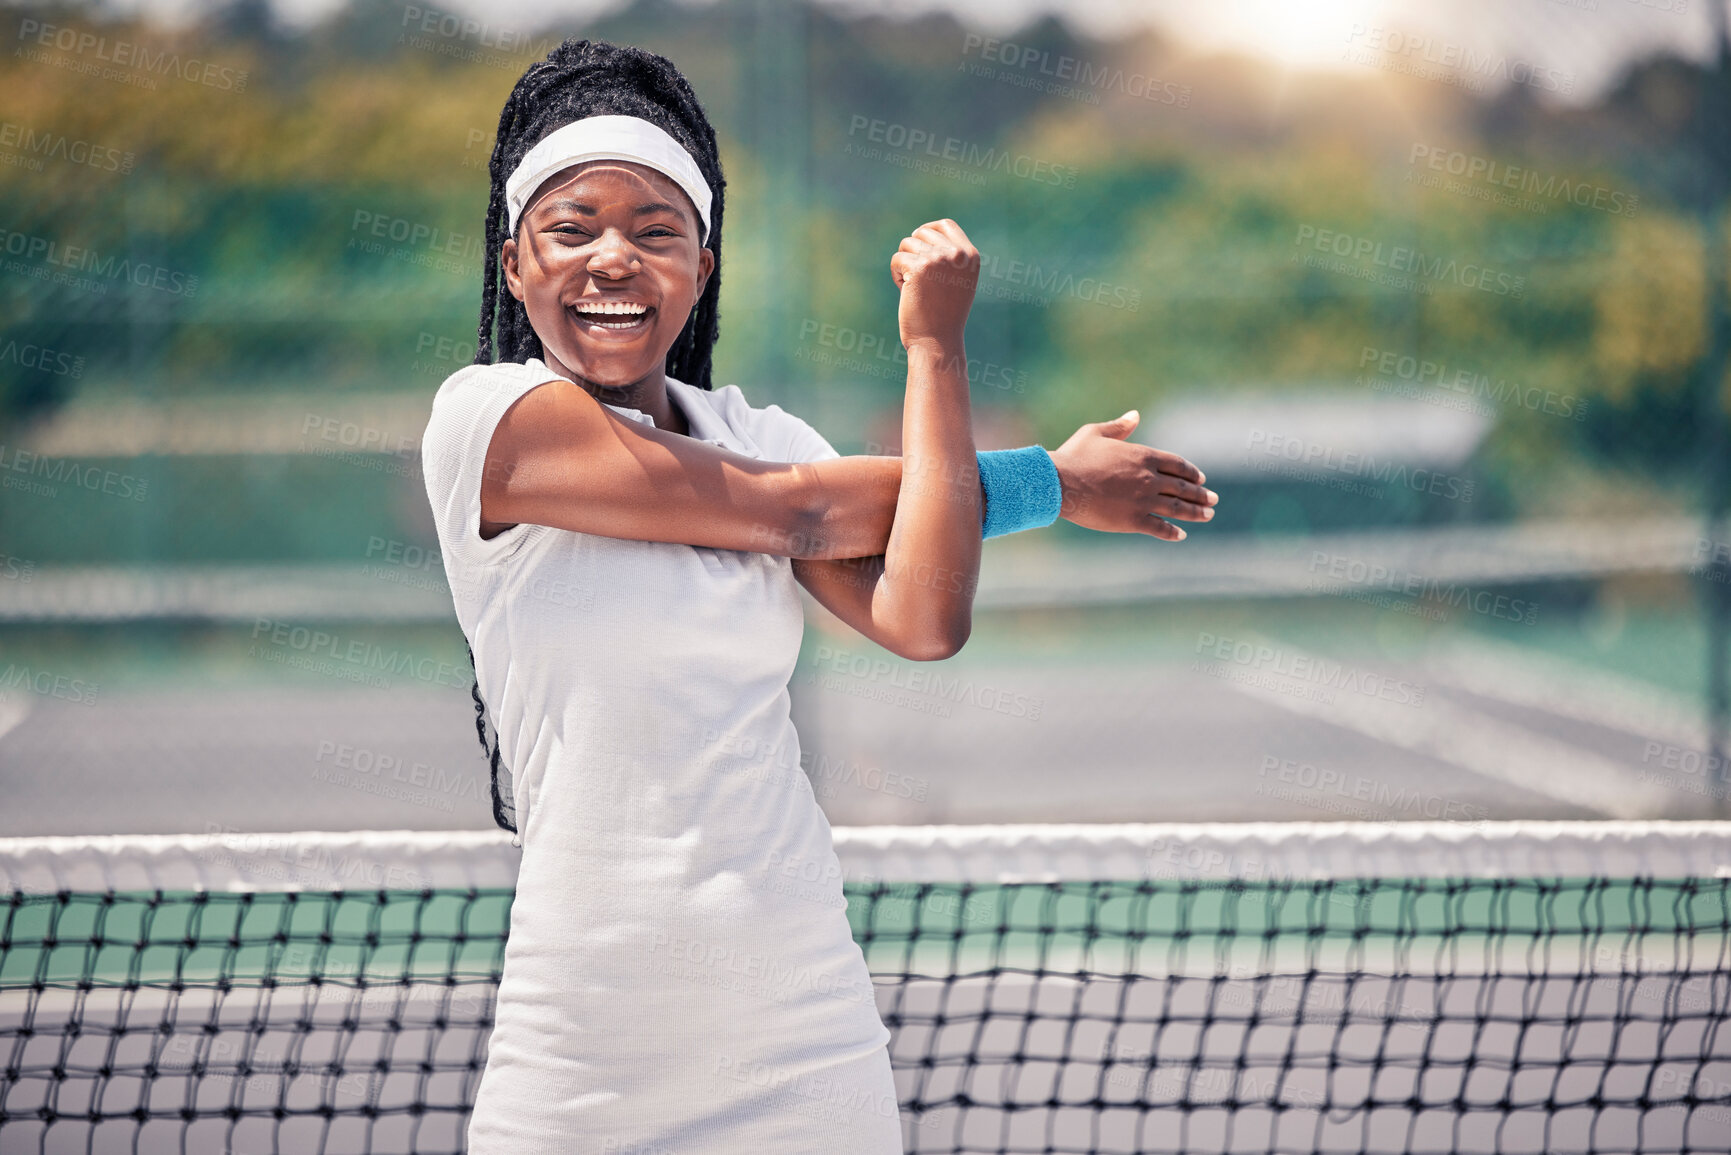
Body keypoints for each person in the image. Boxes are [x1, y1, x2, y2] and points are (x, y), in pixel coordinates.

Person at [420, 37, 1218, 1154]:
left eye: (657, 233)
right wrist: (1048, 481)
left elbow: (924, 618)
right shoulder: (489, 421)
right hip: (580, 1054)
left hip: (801, 1040)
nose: (614, 259)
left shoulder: (760, 435)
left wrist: (934, 351)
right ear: (514, 265)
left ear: (702, 268)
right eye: (573, 228)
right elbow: (791, 510)